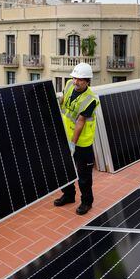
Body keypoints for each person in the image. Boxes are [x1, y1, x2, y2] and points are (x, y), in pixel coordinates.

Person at [54, 63, 99, 215]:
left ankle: (87, 202)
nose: (75, 82)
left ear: (87, 81)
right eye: (74, 78)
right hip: (64, 137)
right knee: (64, 169)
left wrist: (73, 144)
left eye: (79, 80)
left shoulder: (91, 100)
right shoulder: (68, 84)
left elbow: (80, 122)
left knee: (84, 176)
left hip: (82, 143)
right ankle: (68, 195)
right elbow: (65, 102)